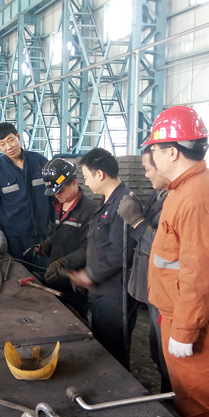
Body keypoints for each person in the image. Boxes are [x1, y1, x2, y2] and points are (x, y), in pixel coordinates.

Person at [144, 105, 209, 417]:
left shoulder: (197, 197)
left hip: (199, 325)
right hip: (185, 315)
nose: (153, 157)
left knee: (202, 416)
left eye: (155, 149)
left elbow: (201, 274)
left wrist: (185, 331)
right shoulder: (186, 188)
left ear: (172, 152)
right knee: (188, 406)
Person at [66, 148, 140, 370]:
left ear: (99, 174)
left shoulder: (124, 204)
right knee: (103, 347)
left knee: (115, 352)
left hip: (117, 296)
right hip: (102, 291)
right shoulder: (106, 202)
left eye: (86, 176)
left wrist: (89, 275)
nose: (86, 182)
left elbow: (120, 252)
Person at [116, 147, 172, 393]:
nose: (146, 175)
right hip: (155, 288)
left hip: (169, 291)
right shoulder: (159, 195)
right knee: (156, 347)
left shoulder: (176, 201)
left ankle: (172, 399)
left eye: (149, 169)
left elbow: (165, 248)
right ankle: (166, 392)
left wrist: (137, 221)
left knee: (167, 353)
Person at [0, 122, 52, 266]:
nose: (8, 147)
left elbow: (55, 196)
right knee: (18, 275)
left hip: (44, 236)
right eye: (2, 144)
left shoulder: (40, 162)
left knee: (46, 274)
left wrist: (57, 226)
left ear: (18, 137)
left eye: (10, 140)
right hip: (14, 240)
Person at [35, 158, 98, 321]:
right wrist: (48, 244)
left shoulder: (90, 211)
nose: (57, 195)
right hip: (56, 279)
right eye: (54, 191)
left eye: (60, 190)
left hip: (75, 284)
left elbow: (89, 248)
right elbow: (60, 234)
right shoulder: (58, 206)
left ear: (74, 183)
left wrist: (63, 264)